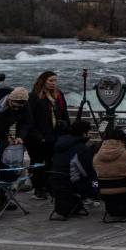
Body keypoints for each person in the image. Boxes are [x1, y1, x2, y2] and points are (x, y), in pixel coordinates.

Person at [26, 71, 69, 200]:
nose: (53, 83)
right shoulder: (34, 96)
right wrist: (39, 137)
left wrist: (65, 125)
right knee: (37, 162)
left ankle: (49, 187)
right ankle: (38, 188)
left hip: (54, 135)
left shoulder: (58, 95)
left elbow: (65, 113)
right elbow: (29, 119)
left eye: (55, 80)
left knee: (52, 162)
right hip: (37, 138)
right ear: (43, 81)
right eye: (50, 80)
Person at [49, 120, 98, 219]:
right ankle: (90, 198)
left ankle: (79, 203)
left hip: (54, 180)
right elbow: (87, 172)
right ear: (84, 133)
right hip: (70, 182)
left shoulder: (61, 142)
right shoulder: (81, 148)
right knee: (96, 180)